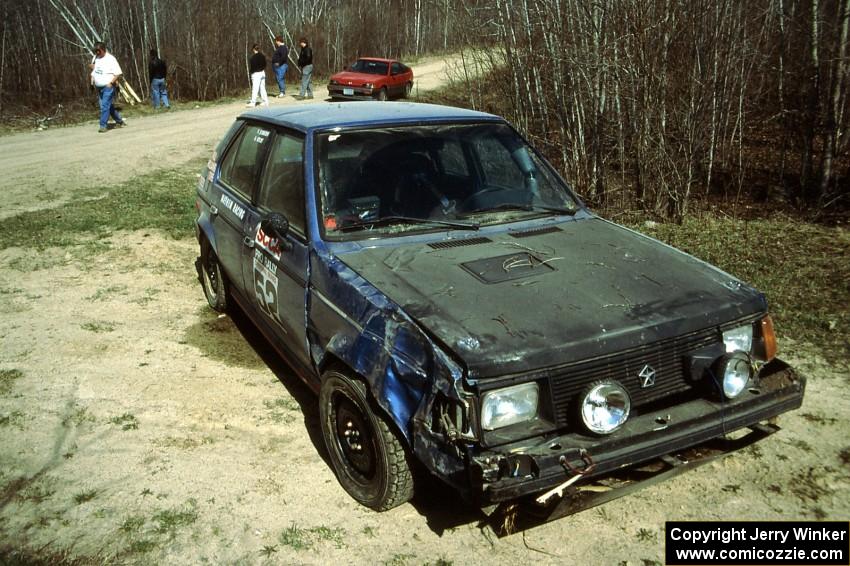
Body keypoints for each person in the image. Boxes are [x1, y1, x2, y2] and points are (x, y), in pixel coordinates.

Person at [89, 42, 126, 133]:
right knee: (108, 106)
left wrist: (111, 83)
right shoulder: (96, 58)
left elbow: (118, 73)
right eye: (95, 51)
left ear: (103, 49)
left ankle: (103, 125)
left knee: (104, 106)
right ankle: (119, 121)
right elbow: (95, 70)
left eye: (99, 51)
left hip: (108, 87)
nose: (97, 53)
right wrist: (92, 82)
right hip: (99, 87)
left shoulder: (111, 59)